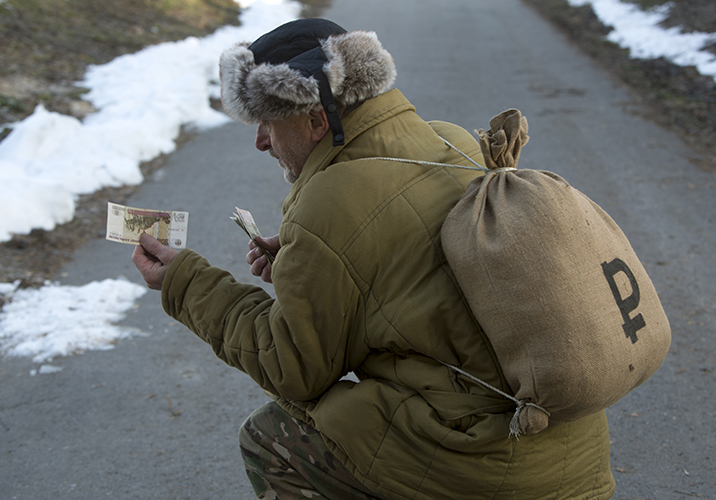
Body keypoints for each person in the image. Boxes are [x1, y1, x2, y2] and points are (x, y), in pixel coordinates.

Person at [132, 18, 616, 500]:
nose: (261, 141)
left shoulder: (329, 201)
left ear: (317, 120)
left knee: (270, 438)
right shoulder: (452, 141)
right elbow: (410, 283)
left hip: (483, 469)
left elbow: (292, 368)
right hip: (572, 453)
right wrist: (312, 267)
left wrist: (184, 281)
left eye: (268, 122)